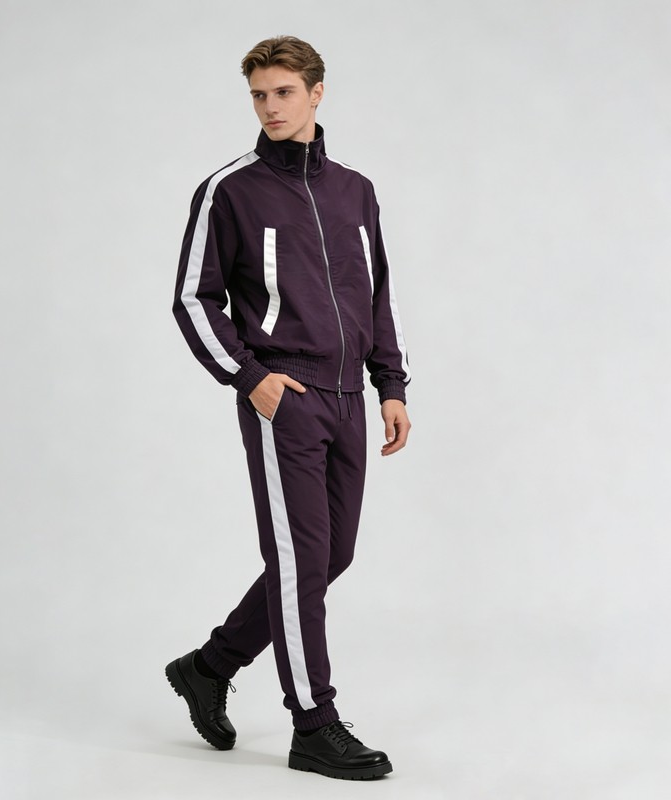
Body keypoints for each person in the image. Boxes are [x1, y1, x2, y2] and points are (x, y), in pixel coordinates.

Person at [167, 35, 411, 781]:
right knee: (302, 559)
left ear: (316, 93)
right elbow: (194, 298)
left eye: (283, 93)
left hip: (349, 397)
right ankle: (314, 722)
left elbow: (376, 293)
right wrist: (252, 379)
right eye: (258, 95)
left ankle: (209, 666)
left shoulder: (355, 190)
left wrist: (391, 385)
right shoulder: (230, 190)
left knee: (331, 555)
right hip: (286, 397)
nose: (270, 107)